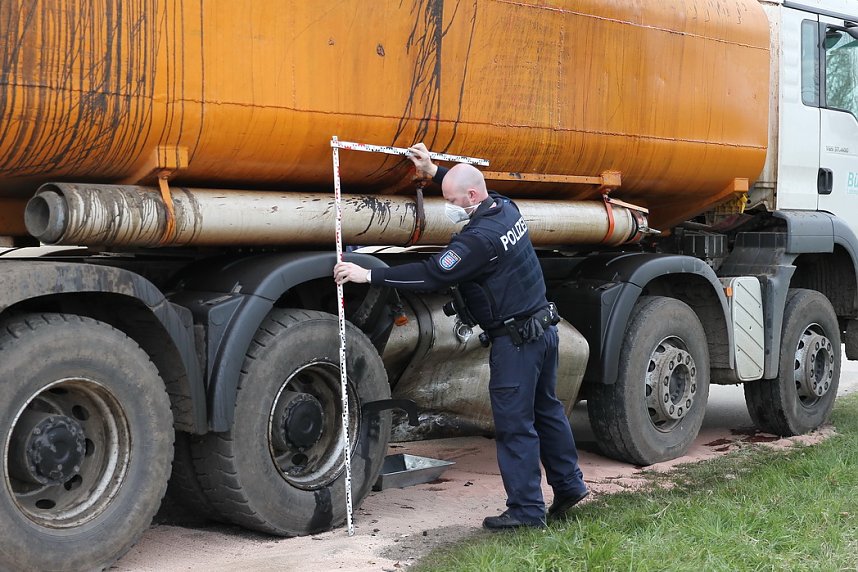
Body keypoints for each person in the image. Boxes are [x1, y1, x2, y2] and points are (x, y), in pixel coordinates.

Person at [333, 143, 589, 530]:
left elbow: (432, 274)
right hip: (543, 330)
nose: (447, 204)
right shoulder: (505, 208)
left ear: (471, 196)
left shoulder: (477, 240)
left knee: (514, 426)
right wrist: (435, 171)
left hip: (516, 341)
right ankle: (569, 485)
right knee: (547, 412)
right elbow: (466, 188)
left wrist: (369, 274)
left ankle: (526, 512)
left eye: (451, 199)